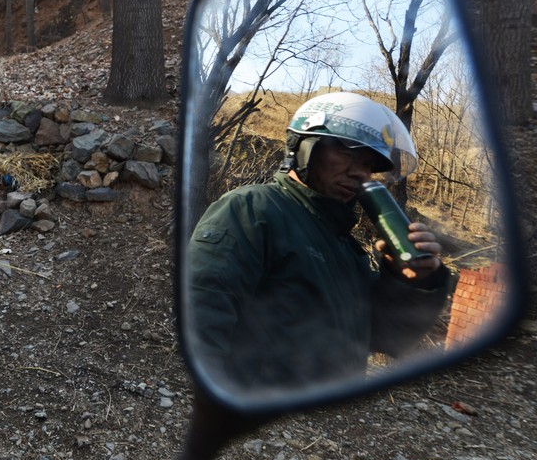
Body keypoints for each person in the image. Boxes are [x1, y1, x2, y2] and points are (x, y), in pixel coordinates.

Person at [187, 91, 450, 393]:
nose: (360, 173)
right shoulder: (252, 210)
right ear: (304, 148)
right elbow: (201, 318)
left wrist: (412, 283)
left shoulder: (343, 244)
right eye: (348, 153)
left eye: (368, 165)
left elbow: (382, 337)